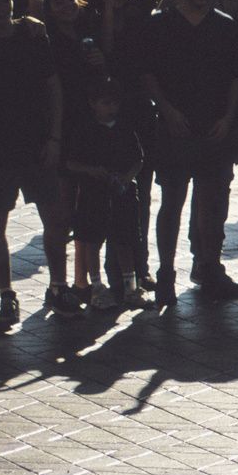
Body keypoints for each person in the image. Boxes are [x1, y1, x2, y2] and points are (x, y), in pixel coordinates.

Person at [142, 0, 238, 306]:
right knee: (171, 201)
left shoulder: (226, 25)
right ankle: (166, 272)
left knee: (214, 202)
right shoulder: (161, 24)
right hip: (175, 126)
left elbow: (236, 78)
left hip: (214, 126)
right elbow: (149, 73)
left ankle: (209, 266)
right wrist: (166, 110)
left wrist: (228, 118)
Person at [0, 0, 66, 331]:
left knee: (55, 218)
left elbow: (53, 88)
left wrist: (54, 137)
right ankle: (7, 293)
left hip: (37, 143)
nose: (0, 7)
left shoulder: (32, 34)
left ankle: (58, 285)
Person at [62, 76, 145, 310]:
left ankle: (130, 286)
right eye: (105, 103)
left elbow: (139, 158)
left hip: (122, 192)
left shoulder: (125, 128)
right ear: (93, 103)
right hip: (93, 192)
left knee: (125, 239)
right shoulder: (84, 130)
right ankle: (96, 287)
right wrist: (92, 170)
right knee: (91, 241)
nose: (111, 108)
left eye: (114, 103)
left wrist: (127, 178)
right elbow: (71, 163)